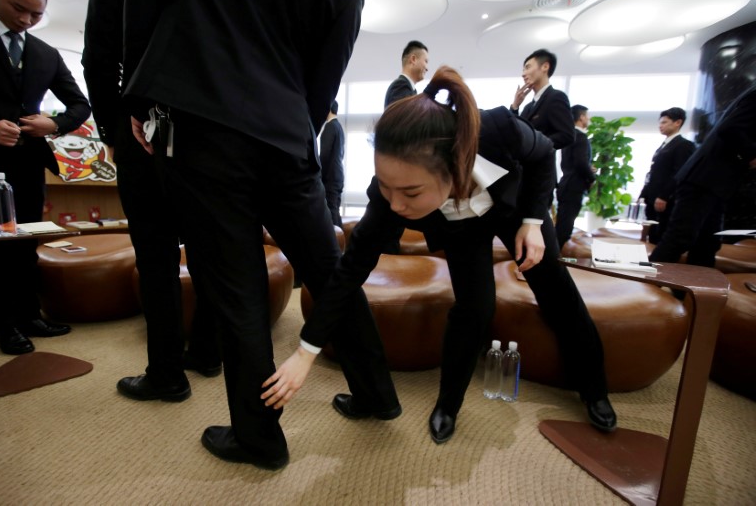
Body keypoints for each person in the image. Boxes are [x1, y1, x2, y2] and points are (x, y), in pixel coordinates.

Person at [123, 0, 399, 471]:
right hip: (288, 132)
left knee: (237, 288)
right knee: (329, 269)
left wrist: (141, 99)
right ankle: (377, 394)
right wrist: (294, 130)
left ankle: (259, 438)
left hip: (203, 114)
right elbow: (327, 73)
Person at [263, 66, 617, 445]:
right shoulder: (389, 200)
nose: (396, 204)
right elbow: (348, 272)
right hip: (463, 229)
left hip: (515, 212)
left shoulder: (498, 128)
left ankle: (594, 390)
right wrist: (305, 351)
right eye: (386, 187)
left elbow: (544, 153)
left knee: (557, 293)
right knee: (474, 309)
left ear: (452, 167)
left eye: (411, 193)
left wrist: (533, 220)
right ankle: (448, 405)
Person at [82, 0, 221, 404]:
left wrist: (114, 129)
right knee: (207, 248)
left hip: (141, 125)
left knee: (156, 257)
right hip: (207, 124)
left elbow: (100, 53)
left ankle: (166, 372)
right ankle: (207, 350)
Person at [0, 0, 90, 355]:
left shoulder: (46, 53)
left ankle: (30, 315)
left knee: (25, 243)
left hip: (28, 160)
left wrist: (54, 123)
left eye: (36, 15)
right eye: (19, 9)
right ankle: (3, 326)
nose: (27, 20)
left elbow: (80, 105)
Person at [650, 83, 756, 266]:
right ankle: (644, 286)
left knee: (707, 243)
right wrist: (752, 155)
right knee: (681, 237)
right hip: (705, 178)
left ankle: (690, 290)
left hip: (715, 180)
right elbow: (730, 129)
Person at [510, 49, 574, 209]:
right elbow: (515, 135)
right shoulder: (528, 107)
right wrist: (515, 106)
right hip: (522, 178)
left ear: (545, 66)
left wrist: (537, 146)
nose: (524, 73)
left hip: (540, 178)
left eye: (528, 67)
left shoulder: (556, 97)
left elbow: (567, 135)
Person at [638, 107, 695, 244]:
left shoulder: (683, 145)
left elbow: (679, 173)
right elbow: (654, 172)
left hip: (665, 201)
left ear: (677, 123)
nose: (660, 126)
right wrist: (644, 194)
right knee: (652, 236)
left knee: (661, 236)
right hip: (652, 199)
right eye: (660, 122)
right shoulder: (664, 145)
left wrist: (664, 196)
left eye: (664, 122)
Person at [555, 104, 596, 248]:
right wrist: (591, 177)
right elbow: (580, 162)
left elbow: (570, 163)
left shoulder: (568, 137)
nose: (588, 119)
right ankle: (553, 260)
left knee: (562, 224)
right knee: (565, 228)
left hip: (565, 183)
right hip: (574, 186)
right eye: (587, 116)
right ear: (582, 117)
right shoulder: (581, 137)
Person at [319, 100, 345, 227]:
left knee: (331, 210)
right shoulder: (339, 127)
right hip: (338, 175)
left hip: (330, 176)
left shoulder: (329, 127)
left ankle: (336, 244)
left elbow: (324, 155)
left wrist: (317, 173)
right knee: (335, 209)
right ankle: (342, 244)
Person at [384, 40, 429, 109]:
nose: (427, 68)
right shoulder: (400, 86)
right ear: (413, 59)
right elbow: (407, 117)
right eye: (425, 61)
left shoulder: (410, 89)